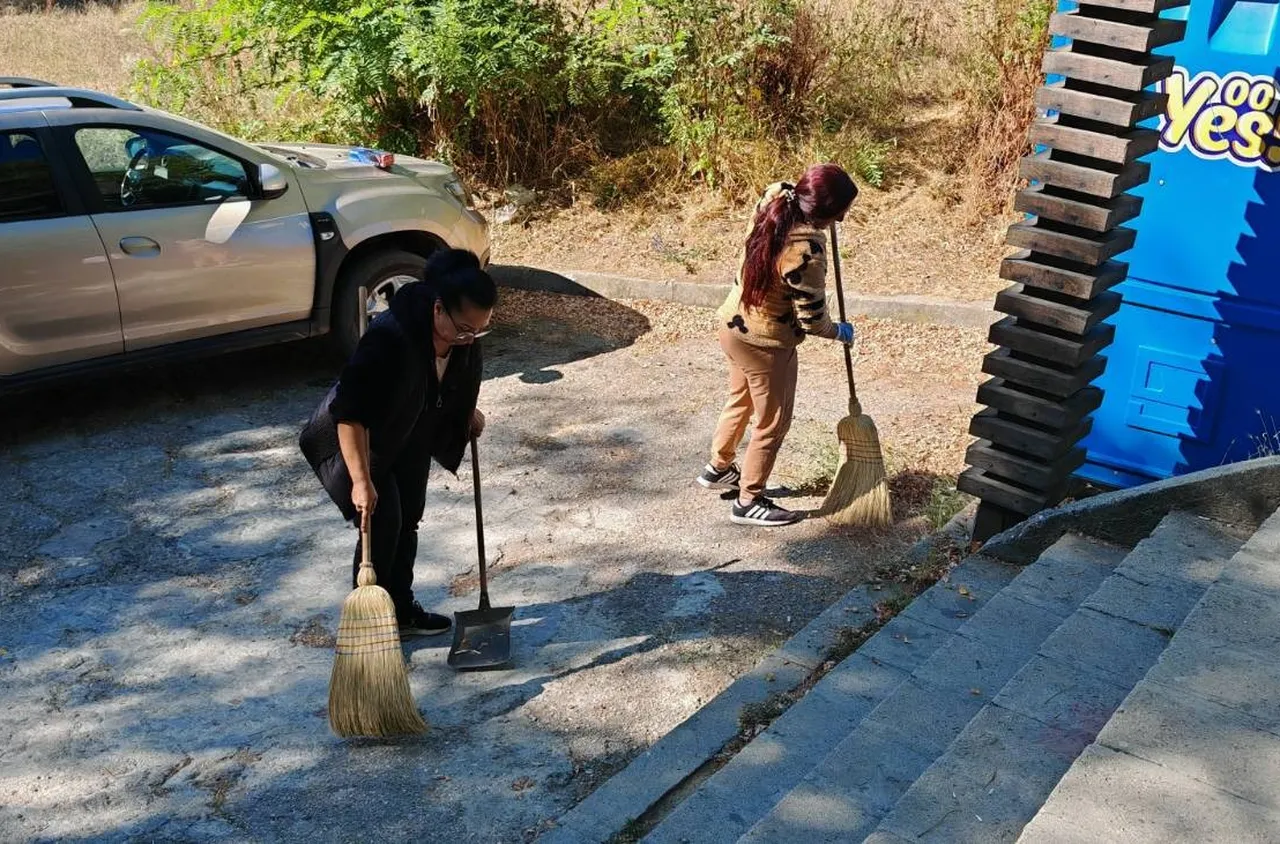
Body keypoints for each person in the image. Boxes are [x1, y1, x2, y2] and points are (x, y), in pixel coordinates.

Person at [300, 248, 496, 636]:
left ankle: (401, 609)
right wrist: (360, 480)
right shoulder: (390, 338)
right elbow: (349, 412)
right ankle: (370, 623)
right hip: (359, 439)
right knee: (382, 521)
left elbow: (442, 384)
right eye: (463, 329)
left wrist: (464, 414)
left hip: (408, 432)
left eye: (479, 329)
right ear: (438, 309)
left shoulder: (461, 335)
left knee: (409, 516)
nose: (469, 338)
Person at [697, 163, 859, 527]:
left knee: (740, 399)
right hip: (765, 342)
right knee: (772, 422)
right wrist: (838, 331)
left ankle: (718, 468)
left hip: (732, 323)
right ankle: (749, 500)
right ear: (821, 211)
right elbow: (812, 319)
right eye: (840, 212)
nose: (843, 220)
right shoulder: (806, 251)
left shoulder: (775, 200)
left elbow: (782, 184)